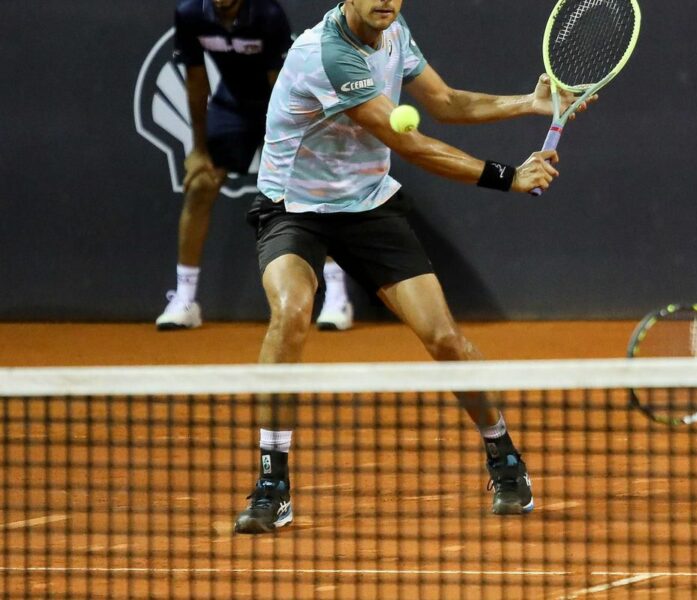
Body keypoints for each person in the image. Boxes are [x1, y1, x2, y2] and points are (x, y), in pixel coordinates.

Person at [232, 0, 583, 534]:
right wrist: (507, 175)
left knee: (444, 338)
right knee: (291, 313)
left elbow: (443, 102)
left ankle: (504, 457)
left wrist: (528, 104)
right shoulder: (329, 55)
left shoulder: (393, 31)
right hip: (294, 209)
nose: (385, 2)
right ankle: (271, 483)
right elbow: (409, 143)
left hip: (369, 208)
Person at [158, 0, 354, 332]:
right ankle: (185, 300)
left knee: (312, 188)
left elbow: (283, 85)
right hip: (231, 105)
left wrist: (289, 146)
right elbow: (196, 79)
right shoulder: (190, 13)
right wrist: (199, 149)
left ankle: (336, 296)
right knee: (201, 184)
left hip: (280, 102)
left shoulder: (267, 14)